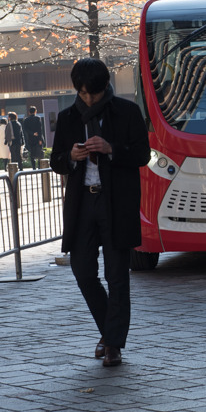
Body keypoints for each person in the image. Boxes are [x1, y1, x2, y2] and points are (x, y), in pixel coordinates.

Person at [49, 58, 150, 367]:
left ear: (105, 87)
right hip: (82, 204)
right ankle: (110, 332)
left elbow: (143, 155)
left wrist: (111, 149)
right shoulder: (68, 118)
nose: (87, 99)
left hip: (116, 203)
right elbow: (56, 162)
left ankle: (113, 344)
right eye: (82, 93)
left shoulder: (127, 111)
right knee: (83, 272)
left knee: (117, 275)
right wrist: (72, 157)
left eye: (92, 93)